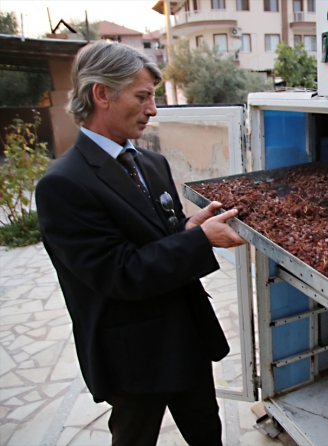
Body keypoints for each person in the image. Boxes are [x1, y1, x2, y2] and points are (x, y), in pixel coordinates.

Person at [35, 40, 245, 445]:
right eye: (142, 97)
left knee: (206, 428)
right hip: (132, 353)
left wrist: (189, 228)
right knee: (135, 436)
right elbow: (119, 272)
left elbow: (157, 237)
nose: (153, 110)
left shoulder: (151, 162)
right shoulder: (63, 184)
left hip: (185, 334)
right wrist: (200, 241)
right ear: (102, 94)